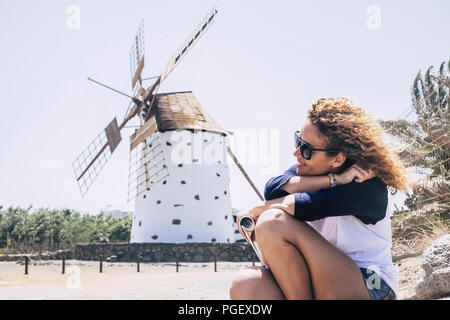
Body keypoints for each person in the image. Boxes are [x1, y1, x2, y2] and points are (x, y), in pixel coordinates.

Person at [229, 97, 410, 300]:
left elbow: (307, 206)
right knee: (246, 283)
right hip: (316, 284)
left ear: (338, 158)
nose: (296, 152)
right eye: (298, 140)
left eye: (306, 149)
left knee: (272, 222)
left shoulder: (366, 182)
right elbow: (273, 188)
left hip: (372, 285)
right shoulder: (310, 172)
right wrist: (335, 179)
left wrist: (262, 208)